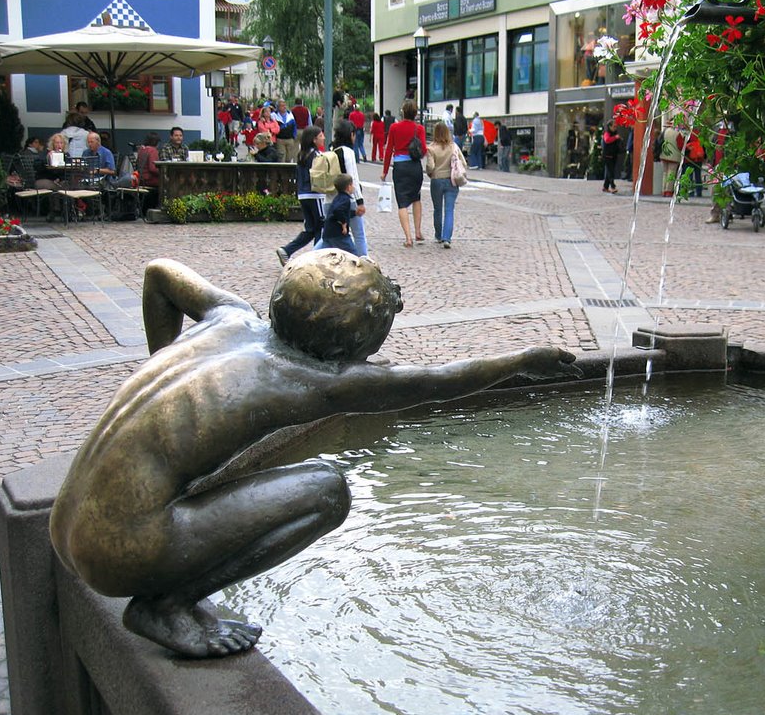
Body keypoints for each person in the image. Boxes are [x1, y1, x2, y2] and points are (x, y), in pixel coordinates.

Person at [49, 250, 580, 658]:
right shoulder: (314, 380)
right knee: (327, 490)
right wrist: (524, 359)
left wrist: (161, 359)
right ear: (350, 347)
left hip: (65, 522)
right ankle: (165, 607)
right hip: (119, 554)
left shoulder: (230, 316)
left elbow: (160, 272)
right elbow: (434, 383)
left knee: (189, 481)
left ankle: (164, 571)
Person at [276, 126, 327, 266]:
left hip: (303, 194)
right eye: (321, 135)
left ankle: (286, 250)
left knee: (310, 229)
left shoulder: (301, 154)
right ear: (314, 139)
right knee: (321, 227)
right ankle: (317, 258)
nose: (323, 138)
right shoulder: (316, 156)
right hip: (315, 195)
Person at [381, 99, 427, 248]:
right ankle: (418, 231)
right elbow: (424, 150)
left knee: (402, 203)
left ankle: (408, 238)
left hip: (400, 167)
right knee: (416, 198)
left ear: (403, 112)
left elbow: (388, 150)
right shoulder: (419, 129)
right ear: (415, 113)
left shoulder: (394, 127)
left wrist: (385, 171)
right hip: (415, 166)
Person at [329, 120, 370, 257]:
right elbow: (353, 178)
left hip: (332, 197)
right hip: (348, 198)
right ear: (351, 134)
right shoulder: (348, 152)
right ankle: (364, 261)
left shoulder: (332, 149)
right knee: (359, 234)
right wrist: (360, 201)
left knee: (330, 235)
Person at [425, 121, 468, 249]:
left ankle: (438, 235)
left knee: (437, 209)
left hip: (437, 180)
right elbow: (463, 163)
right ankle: (447, 238)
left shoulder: (431, 148)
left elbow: (430, 166)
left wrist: (429, 172)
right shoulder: (454, 146)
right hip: (452, 180)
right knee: (449, 210)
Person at [316, 173, 357, 253]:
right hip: (338, 234)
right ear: (348, 187)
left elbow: (343, 212)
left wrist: (354, 213)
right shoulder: (345, 199)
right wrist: (344, 223)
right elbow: (338, 210)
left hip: (328, 232)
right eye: (352, 185)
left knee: (322, 254)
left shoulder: (338, 198)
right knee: (353, 254)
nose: (353, 187)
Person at [659, 120, 683, 197]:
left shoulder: (665, 131)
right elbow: (680, 146)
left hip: (664, 154)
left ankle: (663, 189)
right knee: (671, 173)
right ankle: (668, 190)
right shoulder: (678, 134)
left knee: (665, 173)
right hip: (674, 156)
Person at [681, 128, 705, 198]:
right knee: (698, 177)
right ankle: (699, 192)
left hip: (689, 159)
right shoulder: (700, 136)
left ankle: (691, 192)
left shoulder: (688, 135)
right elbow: (703, 148)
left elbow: (684, 147)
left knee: (690, 176)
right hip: (699, 159)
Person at [601, 120, 622, 194]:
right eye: (614, 126)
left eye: (616, 126)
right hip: (607, 155)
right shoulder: (607, 133)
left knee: (609, 171)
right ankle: (613, 186)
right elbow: (607, 140)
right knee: (610, 172)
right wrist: (615, 138)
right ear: (609, 126)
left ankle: (605, 187)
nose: (615, 128)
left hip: (613, 155)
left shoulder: (615, 133)